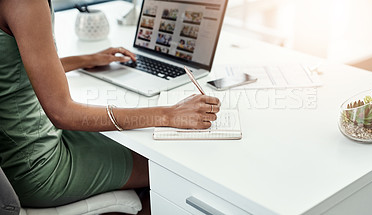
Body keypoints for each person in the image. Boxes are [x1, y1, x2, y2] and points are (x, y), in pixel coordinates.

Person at [0, 0, 221, 214]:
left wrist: (88, 59)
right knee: (165, 166)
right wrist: (168, 114)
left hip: (18, 149)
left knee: (137, 145)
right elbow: (62, 112)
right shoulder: (26, 3)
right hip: (37, 167)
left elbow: (16, 70)